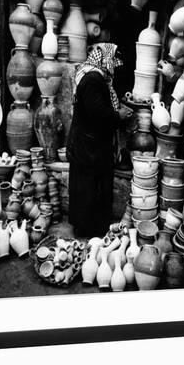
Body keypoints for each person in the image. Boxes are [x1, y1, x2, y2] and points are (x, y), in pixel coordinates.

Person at [66, 43, 132, 238]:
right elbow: (98, 114)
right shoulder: (93, 79)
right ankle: (89, 229)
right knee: (89, 187)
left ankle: (87, 226)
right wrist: (119, 115)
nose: (114, 66)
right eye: (112, 61)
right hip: (89, 146)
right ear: (104, 60)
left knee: (88, 185)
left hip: (89, 142)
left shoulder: (95, 77)